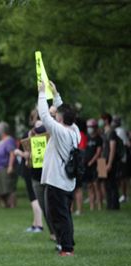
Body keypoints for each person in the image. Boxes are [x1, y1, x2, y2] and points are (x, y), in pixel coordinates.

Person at [38, 81, 81, 256]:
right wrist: (55, 95)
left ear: (61, 119)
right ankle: (65, 244)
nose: (56, 116)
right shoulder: (74, 130)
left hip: (57, 182)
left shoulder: (60, 132)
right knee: (63, 215)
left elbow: (44, 115)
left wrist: (42, 93)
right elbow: (63, 112)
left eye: (58, 115)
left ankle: (67, 249)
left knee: (59, 216)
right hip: (66, 182)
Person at [0, 121, 17, 208]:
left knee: (8, 189)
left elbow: (12, 153)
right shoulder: (2, 141)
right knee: (0, 189)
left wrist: (10, 166)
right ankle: (6, 205)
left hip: (5, 168)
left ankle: (11, 205)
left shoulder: (9, 140)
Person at [100, 113, 120, 210]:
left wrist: (110, 163)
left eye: (102, 119)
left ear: (106, 120)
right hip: (102, 160)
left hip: (109, 160)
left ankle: (114, 206)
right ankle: (109, 204)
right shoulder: (104, 131)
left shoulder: (111, 132)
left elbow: (112, 148)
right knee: (105, 183)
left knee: (112, 183)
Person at [84, 119, 102, 210]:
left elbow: (98, 152)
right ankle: (92, 206)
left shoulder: (98, 139)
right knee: (89, 186)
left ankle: (99, 206)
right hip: (86, 165)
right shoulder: (86, 137)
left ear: (95, 128)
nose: (89, 129)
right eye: (88, 127)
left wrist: (92, 161)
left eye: (91, 127)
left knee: (96, 185)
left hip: (95, 165)